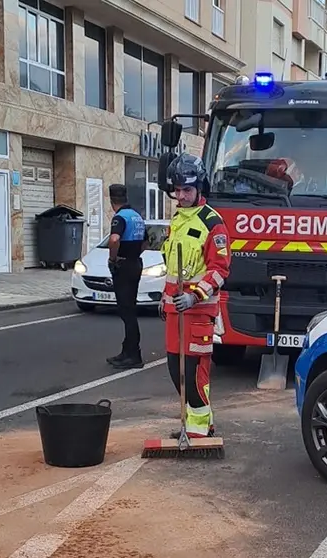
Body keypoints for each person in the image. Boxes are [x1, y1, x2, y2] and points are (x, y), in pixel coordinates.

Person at [158, 153, 231, 439]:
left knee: (194, 371)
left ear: (200, 187)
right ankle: (194, 422)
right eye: (177, 190)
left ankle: (199, 431)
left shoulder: (213, 223)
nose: (181, 195)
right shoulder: (177, 219)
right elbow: (173, 268)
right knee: (175, 370)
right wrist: (164, 300)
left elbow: (220, 268)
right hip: (175, 311)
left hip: (198, 311)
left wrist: (195, 296)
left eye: (187, 189)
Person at [105, 184, 146, 370]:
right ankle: (127, 351)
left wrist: (113, 259)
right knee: (130, 309)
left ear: (111, 199)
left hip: (123, 265)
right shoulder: (137, 216)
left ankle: (133, 355)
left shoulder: (120, 217)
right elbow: (146, 241)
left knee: (126, 311)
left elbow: (114, 239)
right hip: (135, 262)